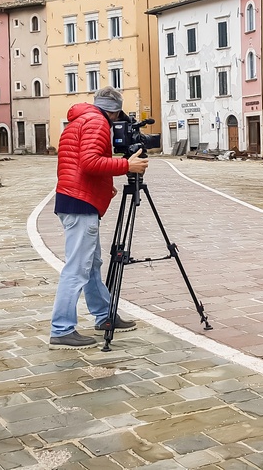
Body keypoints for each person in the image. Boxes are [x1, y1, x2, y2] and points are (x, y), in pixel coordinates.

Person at [49, 86, 149, 349]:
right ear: (114, 112)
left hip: (74, 198)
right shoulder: (97, 122)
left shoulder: (80, 119)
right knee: (78, 268)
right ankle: (61, 329)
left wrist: (106, 184)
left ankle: (105, 316)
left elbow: (80, 163)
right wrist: (127, 165)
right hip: (80, 202)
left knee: (91, 265)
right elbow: (89, 162)